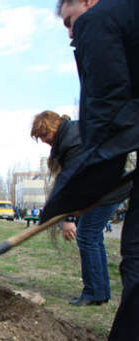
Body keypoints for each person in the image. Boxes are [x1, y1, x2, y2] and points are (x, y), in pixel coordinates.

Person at [43, 0, 139, 341]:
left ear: (86, 2)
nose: (70, 33)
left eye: (69, 21)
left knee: (135, 253)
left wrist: (68, 201)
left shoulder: (99, 21)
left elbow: (109, 116)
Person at [31, 110, 128, 306]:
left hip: (107, 191)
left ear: (55, 125)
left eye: (45, 135)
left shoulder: (72, 142)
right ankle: (100, 292)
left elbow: (75, 184)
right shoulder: (72, 134)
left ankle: (93, 292)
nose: (43, 140)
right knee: (93, 237)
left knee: (87, 236)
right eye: (40, 137)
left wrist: (69, 220)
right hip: (109, 188)